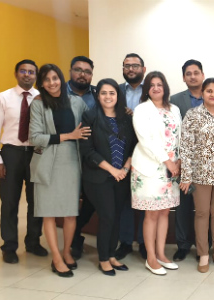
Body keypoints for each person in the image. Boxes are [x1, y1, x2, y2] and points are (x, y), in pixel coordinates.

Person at [29, 64, 90, 277]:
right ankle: (56, 258)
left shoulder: (76, 102)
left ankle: (66, 252)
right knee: (48, 213)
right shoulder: (38, 104)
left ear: (60, 79)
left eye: (55, 78)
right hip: (47, 162)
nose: (52, 83)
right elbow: (34, 138)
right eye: (46, 80)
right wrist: (67, 136)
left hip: (72, 161)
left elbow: (90, 123)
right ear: (42, 84)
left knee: (70, 212)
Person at [0, 59, 48, 264]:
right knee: (9, 202)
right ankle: (9, 246)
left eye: (32, 72)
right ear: (16, 74)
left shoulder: (42, 98)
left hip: (36, 153)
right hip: (11, 154)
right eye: (24, 71)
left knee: (36, 202)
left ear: (36, 76)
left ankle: (33, 242)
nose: (28, 75)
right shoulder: (2, 98)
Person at [170, 59, 214, 262]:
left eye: (196, 72)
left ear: (202, 75)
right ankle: (184, 245)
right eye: (188, 73)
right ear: (184, 77)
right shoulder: (175, 100)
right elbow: (176, 134)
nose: (192, 76)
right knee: (184, 206)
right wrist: (181, 164)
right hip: (186, 164)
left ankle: (209, 246)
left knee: (212, 210)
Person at [80, 78, 137, 276]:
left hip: (122, 176)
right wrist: (112, 170)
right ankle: (103, 258)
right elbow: (87, 151)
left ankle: (112, 255)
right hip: (98, 177)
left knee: (117, 217)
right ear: (98, 95)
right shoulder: (89, 117)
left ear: (117, 95)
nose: (107, 96)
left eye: (112, 93)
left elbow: (134, 145)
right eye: (103, 93)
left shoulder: (126, 118)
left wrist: (125, 168)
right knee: (107, 216)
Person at [180, 78, 214, 273]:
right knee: (202, 213)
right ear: (202, 93)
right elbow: (185, 147)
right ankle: (203, 254)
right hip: (199, 174)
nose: (213, 94)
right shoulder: (192, 115)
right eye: (209, 90)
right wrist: (186, 176)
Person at [130, 71, 181, 275]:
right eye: (152, 85)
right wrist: (167, 161)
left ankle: (161, 253)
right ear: (147, 89)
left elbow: (179, 137)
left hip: (172, 168)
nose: (156, 88)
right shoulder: (141, 110)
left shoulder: (174, 109)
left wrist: (178, 161)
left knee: (165, 211)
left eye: (160, 84)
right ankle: (151, 258)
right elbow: (146, 140)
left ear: (165, 87)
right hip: (150, 168)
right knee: (151, 213)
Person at [115, 53, 148, 261]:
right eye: (127, 66)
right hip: (121, 149)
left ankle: (145, 242)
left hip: (147, 151)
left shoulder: (153, 89)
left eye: (135, 65)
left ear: (143, 69)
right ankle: (125, 241)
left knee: (146, 197)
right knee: (124, 198)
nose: (131, 69)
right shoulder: (116, 90)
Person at [68, 55, 100, 259]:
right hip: (66, 153)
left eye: (87, 71)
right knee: (70, 199)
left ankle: (75, 235)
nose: (82, 74)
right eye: (78, 70)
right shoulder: (58, 92)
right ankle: (71, 242)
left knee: (90, 199)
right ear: (70, 71)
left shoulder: (98, 94)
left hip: (90, 155)